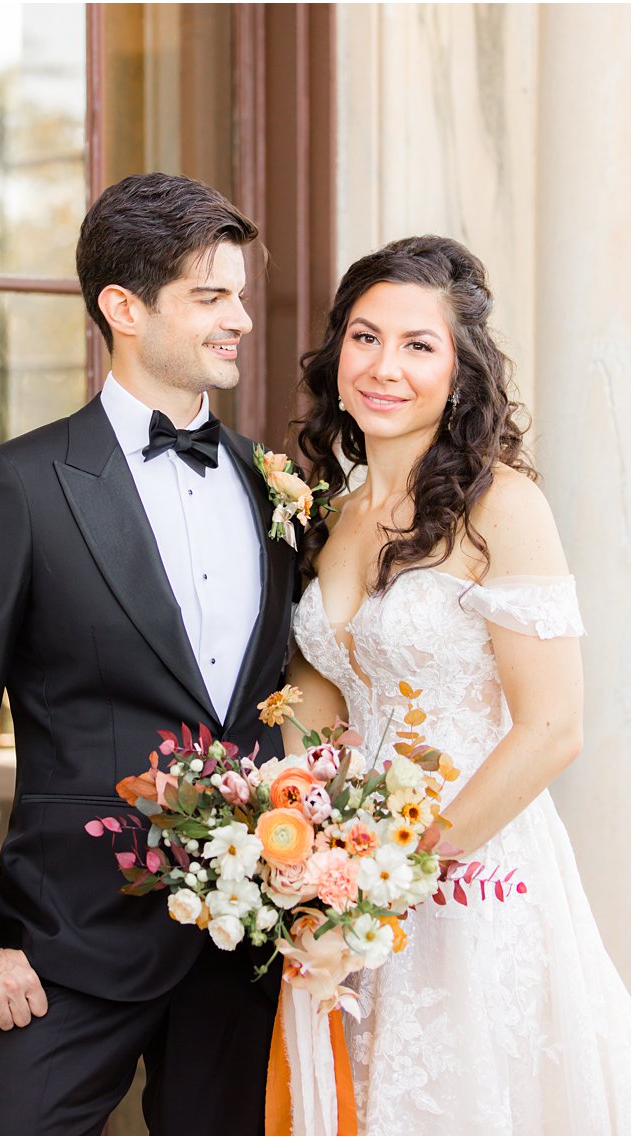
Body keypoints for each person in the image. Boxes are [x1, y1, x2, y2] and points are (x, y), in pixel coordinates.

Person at [0, 172, 297, 1135]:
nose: (238, 319)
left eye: (238, 296)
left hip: (242, 944)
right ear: (123, 307)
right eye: (211, 297)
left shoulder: (275, 485)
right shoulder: (18, 486)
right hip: (65, 941)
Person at [285, 234, 630, 1134]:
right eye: (364, 337)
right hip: (346, 877)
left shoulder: (502, 506)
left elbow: (552, 726)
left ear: (461, 370)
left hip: (474, 876)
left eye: (417, 344)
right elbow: (315, 701)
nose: (383, 366)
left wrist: (393, 878)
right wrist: (302, 858)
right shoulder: (334, 511)